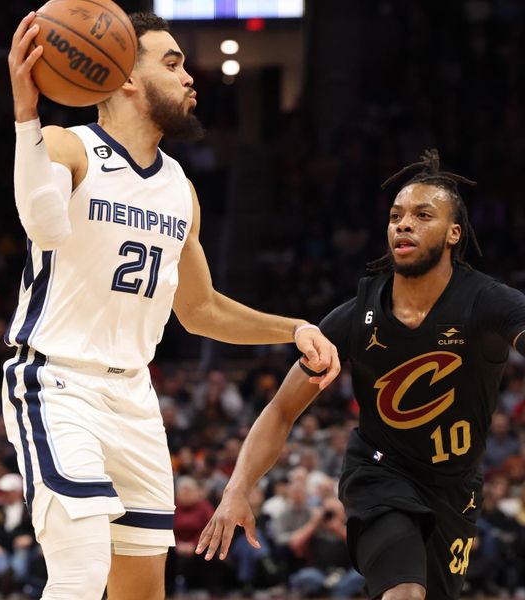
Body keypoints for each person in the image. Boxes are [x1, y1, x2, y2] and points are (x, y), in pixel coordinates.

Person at [5, 10, 340, 599]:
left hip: (134, 397)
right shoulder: (66, 146)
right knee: (80, 572)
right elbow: (45, 224)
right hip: (58, 384)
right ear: (124, 77)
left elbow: (201, 309)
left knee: (142, 591)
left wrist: (294, 329)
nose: (191, 77)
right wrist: (27, 116)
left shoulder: (179, 187)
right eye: (173, 62)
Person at [197, 150, 525, 600]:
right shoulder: (357, 316)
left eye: (422, 215)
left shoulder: (485, 302)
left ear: (454, 233)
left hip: (455, 489)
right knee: (404, 592)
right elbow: (280, 410)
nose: (403, 224)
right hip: (378, 474)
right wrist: (238, 488)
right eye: (396, 215)